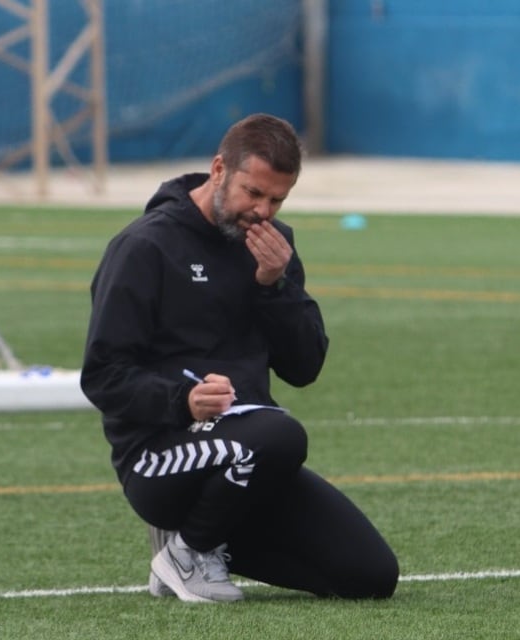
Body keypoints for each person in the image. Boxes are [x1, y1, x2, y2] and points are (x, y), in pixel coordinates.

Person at [80, 113, 398, 603]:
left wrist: (274, 287)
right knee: (281, 434)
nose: (263, 211)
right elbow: (102, 377)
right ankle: (186, 553)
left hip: (250, 457)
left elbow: (304, 367)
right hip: (157, 457)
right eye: (254, 193)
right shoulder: (144, 246)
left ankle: (198, 539)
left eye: (277, 199)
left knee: (372, 577)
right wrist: (182, 399)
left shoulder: (275, 247)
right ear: (218, 170)